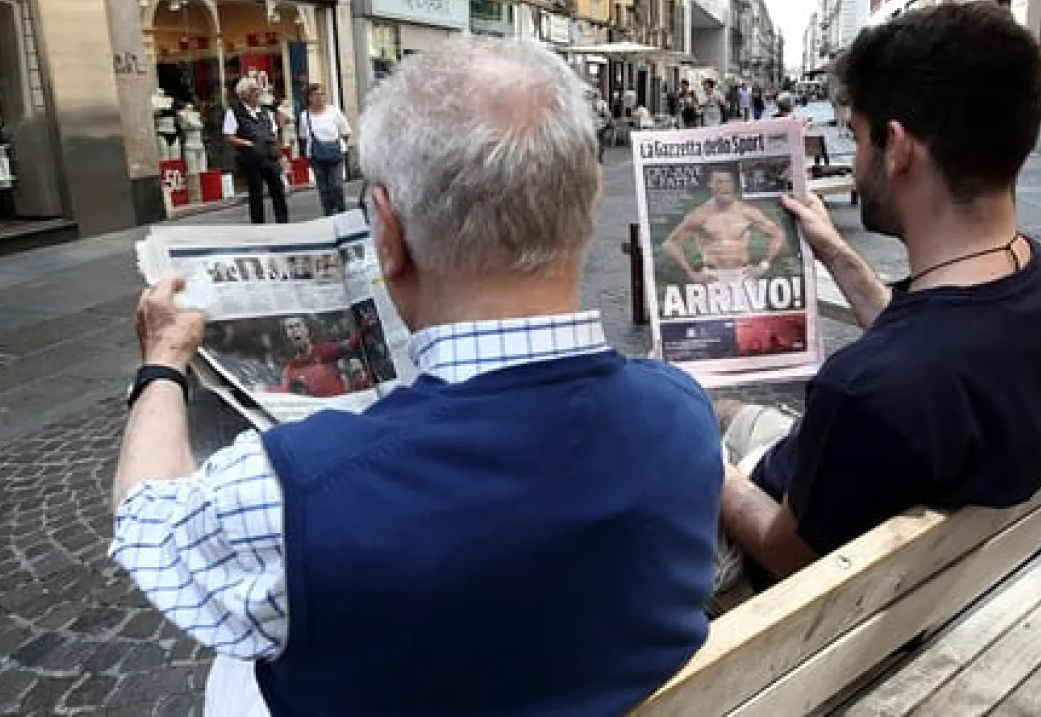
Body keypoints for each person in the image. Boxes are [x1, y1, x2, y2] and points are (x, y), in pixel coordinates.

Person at [112, 36, 722, 716]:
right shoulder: (683, 412)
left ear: (389, 236)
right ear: (593, 201)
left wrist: (163, 361)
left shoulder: (298, 491)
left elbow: (147, 520)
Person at [715, 2, 1041, 594]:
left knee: (669, 438)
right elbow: (929, 343)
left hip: (797, 559)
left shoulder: (862, 390)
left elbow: (786, 551)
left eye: (856, 137)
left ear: (896, 147)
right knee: (718, 410)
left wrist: (703, 467)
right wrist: (836, 253)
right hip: (939, 557)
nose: (856, 161)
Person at [663, 169, 787, 286]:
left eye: (728, 181)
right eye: (719, 182)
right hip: (712, 276)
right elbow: (671, 243)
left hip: (744, 274)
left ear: (733, 185)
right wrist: (692, 274)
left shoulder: (747, 212)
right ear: (711, 185)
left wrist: (763, 266)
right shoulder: (700, 215)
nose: (724, 186)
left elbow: (778, 234)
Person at [224, 76, 289, 224]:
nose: (257, 93)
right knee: (256, 194)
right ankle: (258, 225)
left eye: (257, 90)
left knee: (278, 191)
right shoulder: (234, 112)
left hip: (270, 157)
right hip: (252, 160)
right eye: (253, 90)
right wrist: (247, 143)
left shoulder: (265, 112)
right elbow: (229, 136)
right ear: (244, 94)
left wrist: (280, 156)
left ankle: (283, 222)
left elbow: (273, 135)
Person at [298, 83, 353, 216]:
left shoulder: (334, 112)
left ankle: (341, 211)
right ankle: (329, 213)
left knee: (336, 185)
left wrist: (336, 145)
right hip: (316, 156)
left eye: (322, 94)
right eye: (316, 95)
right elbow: (303, 137)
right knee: (324, 188)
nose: (320, 98)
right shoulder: (305, 116)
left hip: (336, 153)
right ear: (310, 98)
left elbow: (345, 131)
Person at [275, 316, 364, 397]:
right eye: (290, 327)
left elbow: (352, 343)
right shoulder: (290, 370)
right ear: (287, 335)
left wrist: (366, 325)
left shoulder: (326, 350)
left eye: (298, 325)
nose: (295, 330)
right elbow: (284, 393)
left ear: (306, 330)